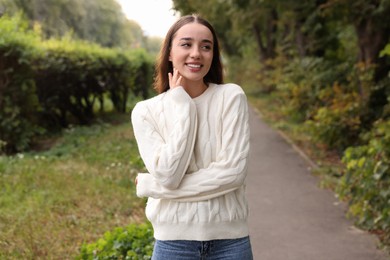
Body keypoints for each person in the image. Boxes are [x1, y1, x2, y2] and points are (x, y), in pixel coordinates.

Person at [131, 14, 253, 260]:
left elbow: (232, 174)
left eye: (206, 46)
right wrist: (183, 107)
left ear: (213, 55)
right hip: (173, 245)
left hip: (230, 244)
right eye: (186, 44)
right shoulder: (145, 112)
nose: (196, 53)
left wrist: (153, 187)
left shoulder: (231, 97)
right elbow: (169, 174)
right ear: (169, 53)